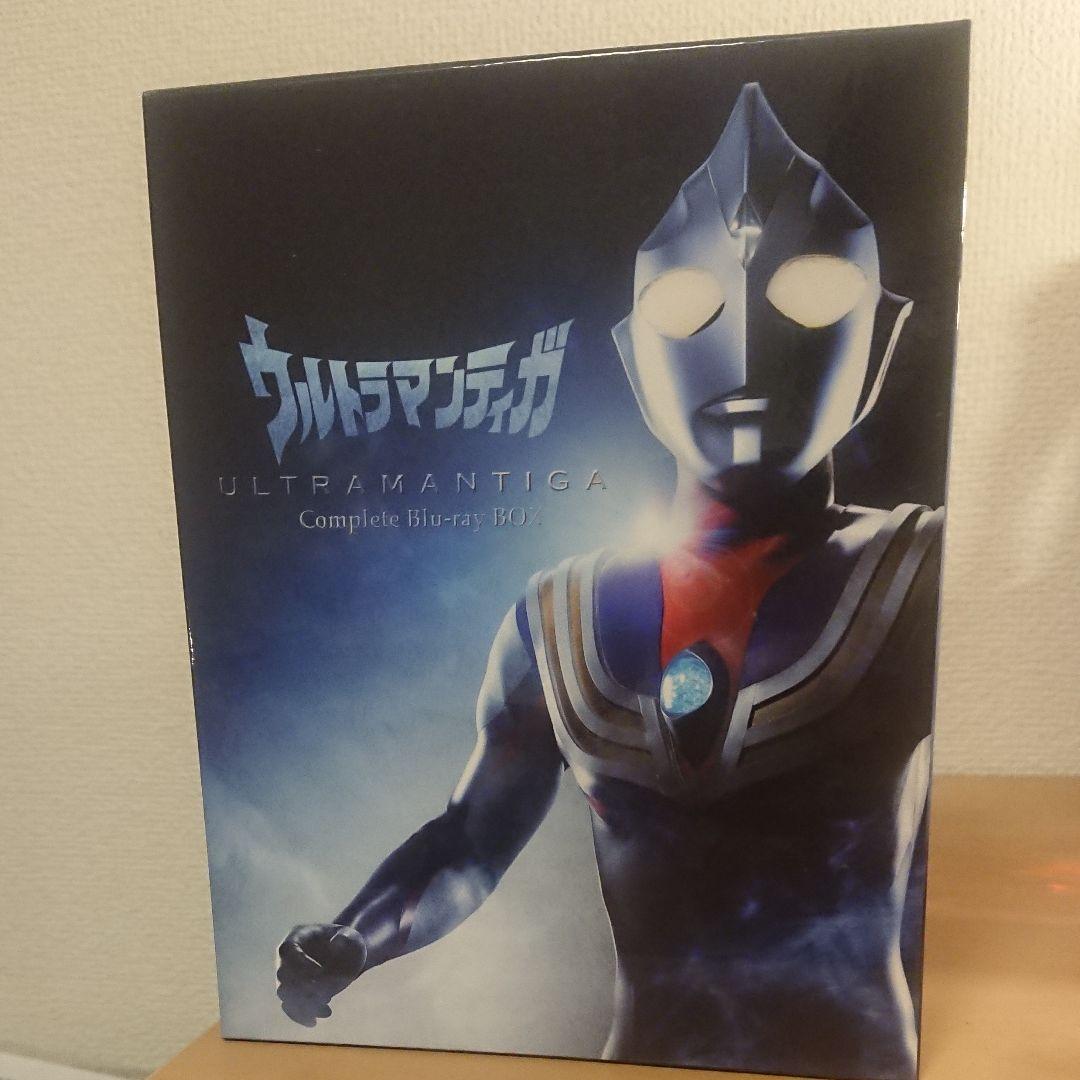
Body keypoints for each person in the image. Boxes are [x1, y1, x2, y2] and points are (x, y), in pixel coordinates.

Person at [276, 84, 942, 1080]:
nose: (746, 347)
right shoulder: (558, 620)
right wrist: (354, 936)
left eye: (808, 296)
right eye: (692, 305)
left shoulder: (920, 576)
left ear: (879, 341)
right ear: (636, 360)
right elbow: (470, 840)